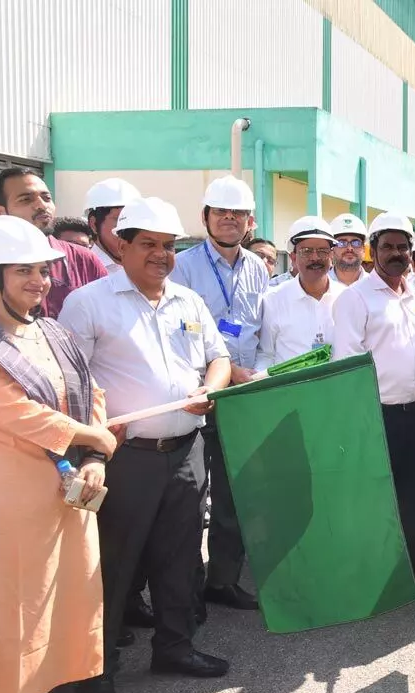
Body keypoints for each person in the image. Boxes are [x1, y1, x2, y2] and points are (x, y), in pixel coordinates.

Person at [60, 197, 232, 693]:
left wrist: (212, 388)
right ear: (122, 245)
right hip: (123, 457)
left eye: (169, 246)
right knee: (113, 566)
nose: (161, 255)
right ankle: (96, 669)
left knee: (180, 560)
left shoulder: (187, 300)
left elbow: (218, 357)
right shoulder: (89, 303)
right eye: (149, 244)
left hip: (186, 449)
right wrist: (88, 442)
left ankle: (174, 648)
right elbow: (71, 383)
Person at [0, 216, 116, 693]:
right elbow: (17, 413)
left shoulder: (52, 331)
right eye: (24, 272)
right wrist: (89, 437)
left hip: (67, 500)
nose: (40, 281)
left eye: (43, 270)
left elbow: (92, 393)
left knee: (66, 606)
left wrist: (97, 457)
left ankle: (56, 692)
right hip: (8, 512)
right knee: (15, 610)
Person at [169, 175, 267, 613]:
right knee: (189, 497)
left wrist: (256, 373)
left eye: (237, 214)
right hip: (198, 393)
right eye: (220, 212)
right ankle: (183, 587)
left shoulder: (258, 268)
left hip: (244, 395)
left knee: (233, 491)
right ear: (205, 217)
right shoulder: (182, 266)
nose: (229, 220)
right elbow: (173, 335)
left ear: (250, 221)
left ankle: (223, 579)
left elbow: (263, 330)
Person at [332, 212, 415, 600]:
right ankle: (372, 576)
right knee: (374, 500)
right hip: (377, 418)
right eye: (388, 246)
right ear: (372, 251)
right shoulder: (355, 299)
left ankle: (410, 573)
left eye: (402, 247)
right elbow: (348, 365)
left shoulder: (414, 295)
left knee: (413, 499)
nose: (396, 253)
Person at [0, 167, 107, 317]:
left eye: (46, 198)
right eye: (26, 199)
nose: (42, 205)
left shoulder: (83, 260)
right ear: (1, 212)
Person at [256, 218, 343, 370]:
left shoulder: (346, 297)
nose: (315, 257)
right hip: (290, 391)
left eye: (322, 251)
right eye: (306, 251)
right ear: (293, 258)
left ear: (331, 257)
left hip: (338, 389)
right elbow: (266, 355)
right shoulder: (273, 300)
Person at [83, 178, 141, 273]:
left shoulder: (148, 268)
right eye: (120, 220)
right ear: (93, 224)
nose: (128, 229)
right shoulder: (81, 271)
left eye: (133, 220)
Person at [328, 213, 369, 286]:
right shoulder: (319, 285)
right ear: (332, 249)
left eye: (356, 242)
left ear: (363, 249)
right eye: (342, 243)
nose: (349, 248)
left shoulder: (375, 285)